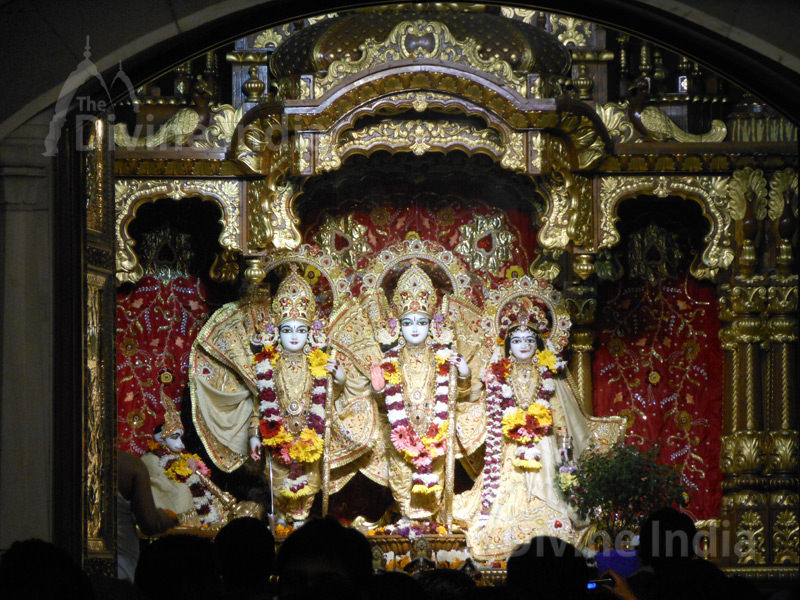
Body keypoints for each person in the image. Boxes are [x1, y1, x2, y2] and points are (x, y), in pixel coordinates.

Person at [192, 263, 372, 524]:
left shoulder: (318, 362)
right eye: (288, 330)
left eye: (301, 329)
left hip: (312, 439)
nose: (294, 336)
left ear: (310, 332)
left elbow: (328, 398)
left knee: (309, 486)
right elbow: (260, 403)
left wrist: (341, 378)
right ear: (277, 332)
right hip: (277, 439)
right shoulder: (268, 365)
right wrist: (253, 435)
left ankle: (300, 523)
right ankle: (283, 525)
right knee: (278, 487)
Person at [454, 294, 597, 561]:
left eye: (529, 340)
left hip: (545, 443)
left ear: (539, 344)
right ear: (508, 345)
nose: (523, 345)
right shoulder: (498, 375)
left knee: (553, 500)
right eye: (517, 340)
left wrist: (565, 454)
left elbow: (559, 414)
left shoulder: (548, 372)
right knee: (502, 503)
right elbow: (485, 409)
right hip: (509, 446)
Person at [368, 263, 471, 523]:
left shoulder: (443, 356)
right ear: (397, 326)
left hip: (435, 432)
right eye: (408, 322)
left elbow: (458, 394)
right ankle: (407, 522)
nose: (415, 328)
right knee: (402, 478)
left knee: (433, 479)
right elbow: (384, 403)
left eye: (422, 322)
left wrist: (464, 373)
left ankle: (431, 525)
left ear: (432, 325)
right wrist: (378, 389)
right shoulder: (390, 359)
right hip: (401, 433)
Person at [117, 450, 178, 581]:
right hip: (120, 562)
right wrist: (171, 518)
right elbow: (150, 524)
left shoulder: (71, 462)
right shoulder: (129, 464)